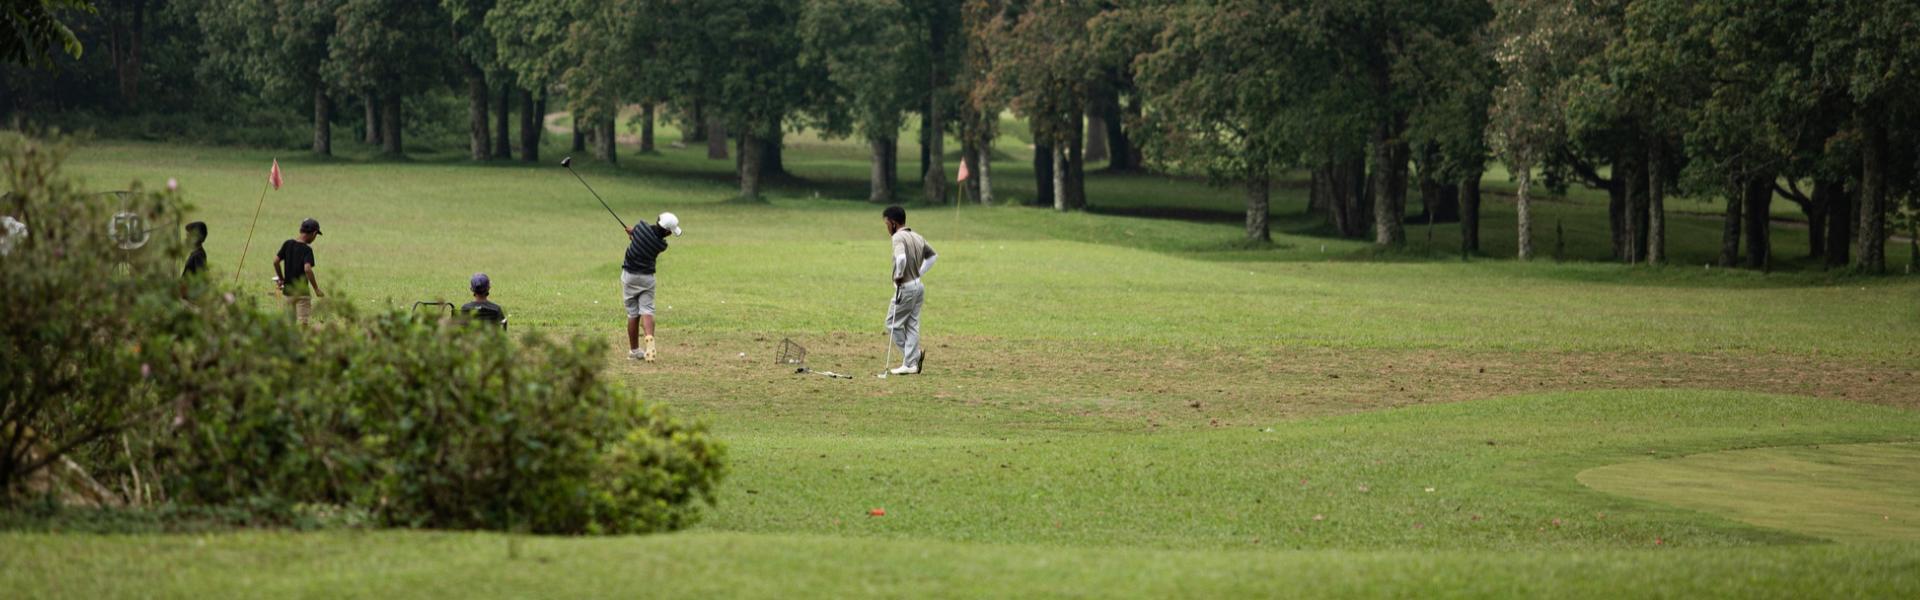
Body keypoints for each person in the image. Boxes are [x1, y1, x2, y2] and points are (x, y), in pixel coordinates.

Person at [882, 205, 935, 375]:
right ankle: (911, 363)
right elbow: (933, 256)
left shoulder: (898, 237)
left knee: (892, 323)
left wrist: (899, 275)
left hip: (905, 287)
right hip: (918, 286)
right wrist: (918, 273)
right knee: (912, 324)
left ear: (894, 223)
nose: (887, 228)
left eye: (887, 224)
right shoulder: (917, 236)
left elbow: (901, 258)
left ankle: (912, 359)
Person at [622, 212, 681, 361]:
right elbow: (645, 239)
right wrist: (635, 236)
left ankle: (635, 351)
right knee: (647, 311)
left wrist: (633, 233)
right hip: (647, 278)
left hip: (629, 276)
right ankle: (649, 339)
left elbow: (639, 233)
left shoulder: (641, 227)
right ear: (667, 232)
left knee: (633, 314)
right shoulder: (661, 245)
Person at [272, 218, 324, 324]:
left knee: (290, 323)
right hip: (302, 294)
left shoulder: (288, 244)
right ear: (314, 233)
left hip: (288, 293)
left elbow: (276, 262)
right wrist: (316, 289)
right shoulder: (307, 250)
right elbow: (307, 269)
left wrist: (281, 279)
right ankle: (302, 341)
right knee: (303, 324)